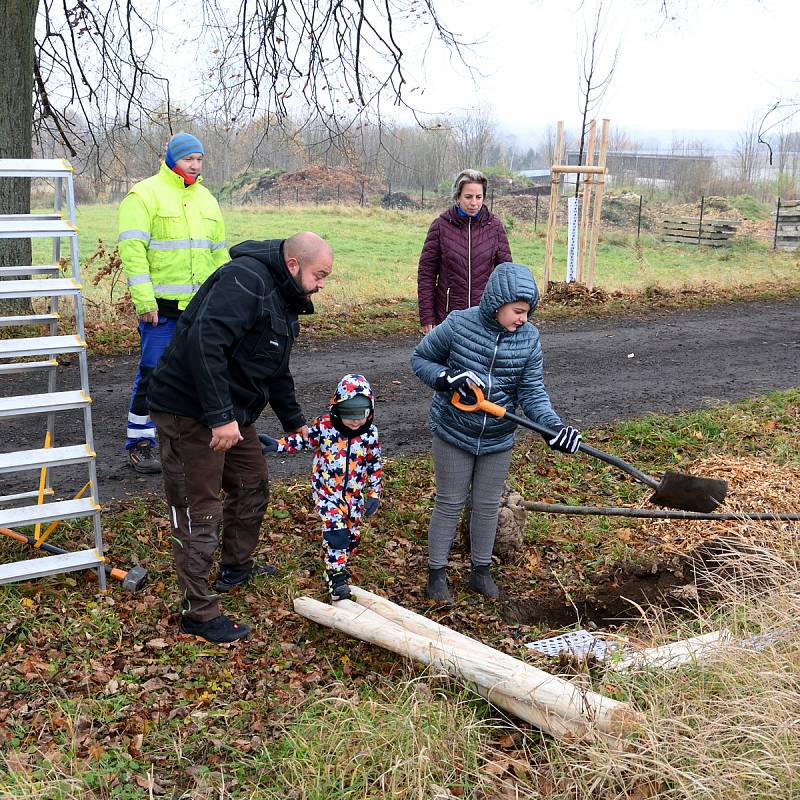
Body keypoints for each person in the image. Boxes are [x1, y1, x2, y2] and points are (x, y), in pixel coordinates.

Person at [146, 232, 333, 643]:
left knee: (251, 481)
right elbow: (204, 343)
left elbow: (275, 365)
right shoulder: (244, 281)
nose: (322, 285)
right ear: (293, 265)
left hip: (228, 413)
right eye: (320, 275)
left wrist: (294, 421)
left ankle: (235, 565)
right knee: (200, 507)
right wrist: (218, 417)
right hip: (190, 410)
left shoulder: (283, 297)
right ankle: (197, 610)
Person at [411, 261, 582, 604]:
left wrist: (554, 428)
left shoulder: (529, 338)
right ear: (497, 303)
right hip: (454, 428)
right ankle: (437, 574)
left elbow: (532, 392)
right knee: (450, 502)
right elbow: (421, 359)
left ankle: (481, 571)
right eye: (518, 311)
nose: (523, 319)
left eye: (527, 313)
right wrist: (447, 380)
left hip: (498, 437)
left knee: (487, 505)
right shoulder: (459, 324)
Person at [118, 132, 229, 474]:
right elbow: (133, 252)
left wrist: (226, 298)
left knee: (204, 371)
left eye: (199, 160)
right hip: (161, 310)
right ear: (171, 159)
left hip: (201, 308)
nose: (194, 166)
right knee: (153, 372)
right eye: (188, 159)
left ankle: (196, 439)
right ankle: (140, 441)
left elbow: (219, 253)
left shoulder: (207, 199)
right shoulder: (144, 195)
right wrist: (144, 300)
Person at [259, 373, 382, 602]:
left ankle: (338, 561)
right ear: (338, 409)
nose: (355, 421)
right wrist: (277, 445)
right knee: (336, 534)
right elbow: (303, 440)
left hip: (353, 496)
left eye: (362, 415)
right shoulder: (325, 426)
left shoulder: (370, 435)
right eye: (349, 415)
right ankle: (337, 579)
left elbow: (374, 464)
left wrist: (374, 492)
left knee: (351, 537)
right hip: (328, 493)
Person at [417, 168, 512, 334]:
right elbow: (426, 274)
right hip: (447, 316)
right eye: (468, 197)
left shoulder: (495, 227)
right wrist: (427, 316)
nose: (474, 203)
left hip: (485, 316)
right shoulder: (440, 226)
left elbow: (505, 273)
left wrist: (506, 312)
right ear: (458, 196)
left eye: (479, 197)